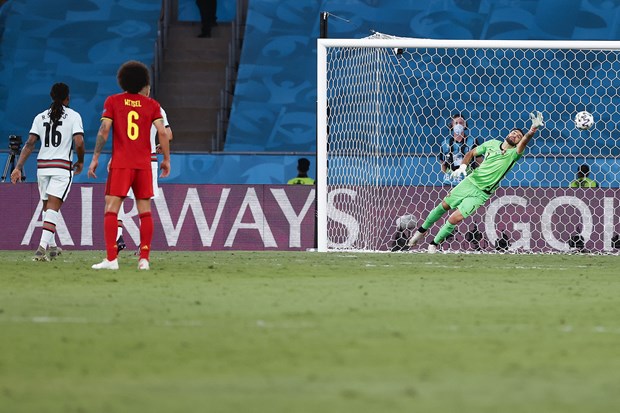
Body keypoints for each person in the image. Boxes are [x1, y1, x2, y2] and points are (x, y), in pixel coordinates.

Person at [408, 111, 544, 253]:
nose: (515, 136)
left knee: (455, 218)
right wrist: (463, 167)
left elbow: (525, 141)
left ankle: (433, 244)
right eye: (514, 133)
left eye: (518, 137)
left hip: (481, 193)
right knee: (443, 206)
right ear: (508, 134)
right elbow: (471, 153)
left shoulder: (514, 154)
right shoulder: (492, 143)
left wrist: (532, 130)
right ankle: (421, 231)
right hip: (470, 181)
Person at [88, 60, 170, 270]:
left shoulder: (114, 101)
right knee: (145, 211)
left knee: (111, 209)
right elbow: (163, 133)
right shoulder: (153, 105)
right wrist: (166, 160)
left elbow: (104, 130)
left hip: (122, 163)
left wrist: (96, 157)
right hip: (144, 164)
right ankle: (144, 259)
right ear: (144, 82)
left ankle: (112, 259)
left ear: (122, 81)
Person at [10, 83, 85, 261]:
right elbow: (79, 142)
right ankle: (41, 249)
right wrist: (81, 161)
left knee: (46, 207)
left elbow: (29, 143)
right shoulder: (74, 116)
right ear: (68, 98)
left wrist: (18, 167)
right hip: (61, 168)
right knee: (52, 207)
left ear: (52, 97)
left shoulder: (40, 116)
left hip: (42, 168)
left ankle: (52, 246)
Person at [116, 104, 173, 252]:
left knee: (117, 197)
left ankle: (118, 237)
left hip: (127, 159)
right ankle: (144, 246)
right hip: (148, 160)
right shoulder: (157, 108)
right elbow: (168, 134)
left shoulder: (123, 106)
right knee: (143, 203)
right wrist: (164, 150)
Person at [440, 113, 482, 185]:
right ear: (451, 125)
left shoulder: (472, 142)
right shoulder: (445, 143)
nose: (458, 125)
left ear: (465, 125)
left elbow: (479, 162)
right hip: (451, 181)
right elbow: (442, 163)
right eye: (456, 123)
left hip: (468, 180)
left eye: (461, 123)